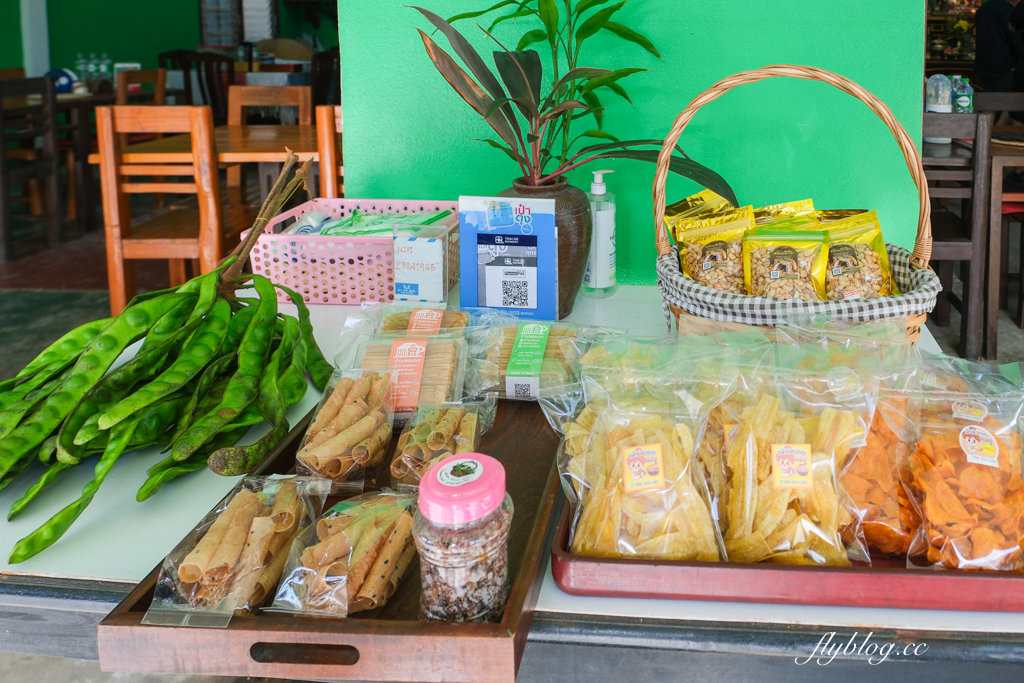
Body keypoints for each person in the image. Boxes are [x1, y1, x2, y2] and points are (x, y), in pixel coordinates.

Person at [975, 0, 1021, 94]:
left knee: (989, 100)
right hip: (1004, 64)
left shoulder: (982, 9)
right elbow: (1014, 37)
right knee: (1006, 100)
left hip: (984, 64)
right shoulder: (1006, 8)